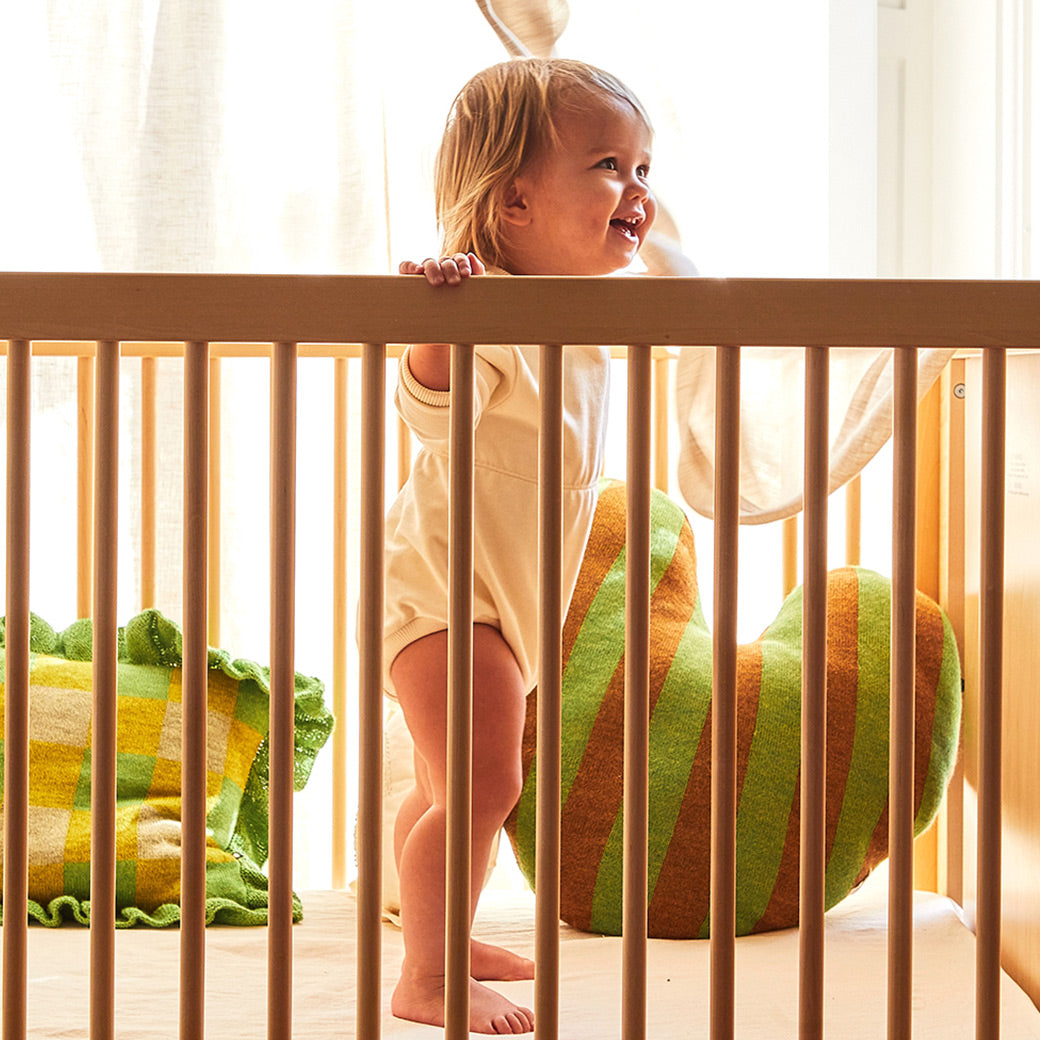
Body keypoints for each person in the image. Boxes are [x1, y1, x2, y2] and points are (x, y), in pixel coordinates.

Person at [384, 56, 656, 1034]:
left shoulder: (583, 322)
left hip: (511, 605)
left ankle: (438, 934)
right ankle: (422, 977)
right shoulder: (486, 310)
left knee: (466, 784)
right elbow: (425, 401)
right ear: (512, 204)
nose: (637, 191)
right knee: (481, 782)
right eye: (608, 166)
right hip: (451, 595)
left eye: (643, 169)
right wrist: (439, 312)